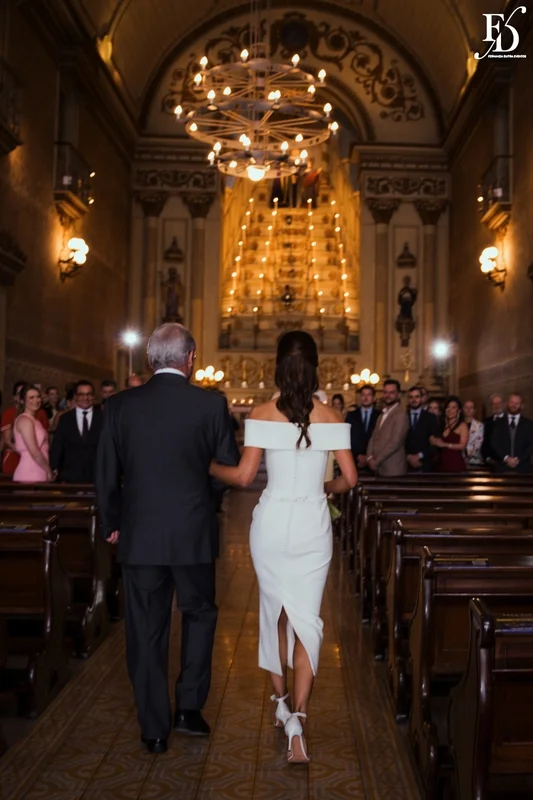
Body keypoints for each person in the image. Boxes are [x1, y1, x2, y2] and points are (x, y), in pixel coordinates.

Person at [209, 331, 357, 764]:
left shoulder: (261, 413)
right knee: (307, 621)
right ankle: (300, 718)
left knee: (274, 614)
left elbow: (241, 478)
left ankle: (280, 705)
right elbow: (351, 479)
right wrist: (323, 488)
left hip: (271, 525)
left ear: (277, 365)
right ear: (316, 367)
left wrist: (207, 464)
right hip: (312, 524)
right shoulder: (331, 417)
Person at [96, 323, 239, 755]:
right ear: (191, 359)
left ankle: (154, 728)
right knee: (199, 615)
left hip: (139, 533)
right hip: (192, 531)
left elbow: (105, 474)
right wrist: (202, 502)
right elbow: (226, 468)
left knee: (144, 628)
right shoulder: (211, 405)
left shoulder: (119, 406)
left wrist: (112, 523)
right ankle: (189, 709)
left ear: (149, 359)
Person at [50, 380, 103, 483]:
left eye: (89, 394)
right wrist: (53, 467)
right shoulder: (65, 419)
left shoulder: (103, 418)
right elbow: (57, 445)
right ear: (75, 396)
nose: (85, 398)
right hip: (70, 475)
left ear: (93, 396)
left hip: (97, 476)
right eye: (81, 394)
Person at [1, 381, 49, 476]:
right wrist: (28, 454)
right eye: (20, 393)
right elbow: (7, 440)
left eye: (37, 396)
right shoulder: (9, 413)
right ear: (16, 397)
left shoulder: (41, 413)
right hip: (16, 458)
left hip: (39, 462)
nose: (35, 400)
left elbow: (46, 439)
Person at [366, 379, 409, 476]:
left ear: (398, 394)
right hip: (378, 468)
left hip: (393, 468)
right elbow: (373, 438)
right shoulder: (382, 414)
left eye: (391, 393)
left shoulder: (401, 414)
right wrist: (369, 457)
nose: (388, 395)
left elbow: (395, 442)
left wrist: (376, 461)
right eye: (385, 392)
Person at [12, 384, 52, 483]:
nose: (36, 400)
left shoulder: (35, 421)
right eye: (31, 397)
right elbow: (34, 452)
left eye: (38, 397)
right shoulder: (25, 420)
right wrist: (48, 469)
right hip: (29, 473)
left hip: (39, 470)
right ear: (22, 401)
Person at [490, 393, 533, 473]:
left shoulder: (529, 424)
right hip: (501, 467)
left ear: (522, 405)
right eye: (512, 402)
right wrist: (506, 458)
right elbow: (494, 443)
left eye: (517, 403)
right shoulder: (498, 423)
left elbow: (531, 445)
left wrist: (518, 459)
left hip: (523, 468)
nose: (514, 405)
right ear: (507, 403)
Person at [345, 384, 380, 471]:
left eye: (369, 395)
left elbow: (382, 438)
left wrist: (369, 457)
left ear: (374, 398)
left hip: (375, 461)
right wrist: (357, 455)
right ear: (360, 397)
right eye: (363, 395)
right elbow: (347, 437)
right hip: (355, 461)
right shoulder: (351, 416)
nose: (366, 397)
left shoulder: (380, 415)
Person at [405, 385, 440, 472]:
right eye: (411, 397)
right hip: (405, 464)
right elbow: (397, 441)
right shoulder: (402, 417)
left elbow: (435, 443)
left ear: (421, 398)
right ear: (408, 400)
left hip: (425, 464)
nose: (414, 400)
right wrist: (408, 456)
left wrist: (419, 456)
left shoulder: (431, 418)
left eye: (417, 397)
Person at [430, 395, 468, 472]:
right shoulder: (441, 424)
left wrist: (445, 444)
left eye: (453, 407)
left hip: (455, 464)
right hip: (440, 464)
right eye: (448, 407)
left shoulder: (462, 425)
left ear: (459, 410)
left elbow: (462, 446)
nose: (450, 410)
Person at [481, 393, 505, 466]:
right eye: (494, 404)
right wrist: (487, 458)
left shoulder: (509, 421)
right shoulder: (485, 422)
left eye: (499, 403)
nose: (496, 406)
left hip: (505, 463)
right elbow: (483, 441)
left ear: (503, 404)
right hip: (489, 462)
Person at [463, 400, 484, 468]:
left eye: (471, 408)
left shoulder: (480, 425)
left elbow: (479, 443)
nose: (468, 410)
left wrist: (468, 456)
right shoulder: (458, 424)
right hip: (459, 459)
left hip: (475, 460)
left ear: (474, 410)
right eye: (466, 407)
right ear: (463, 409)